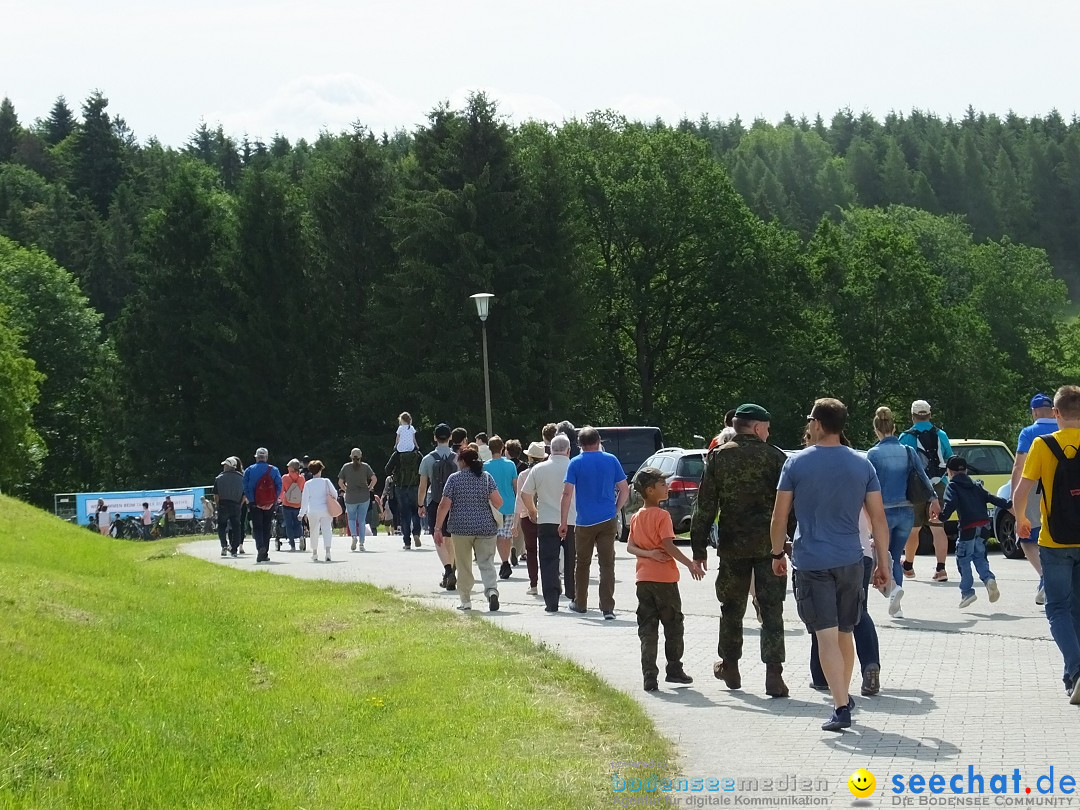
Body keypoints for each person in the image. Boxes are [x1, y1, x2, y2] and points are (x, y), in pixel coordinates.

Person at [770, 398, 892, 732]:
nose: (808, 425)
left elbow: (780, 515)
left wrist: (777, 553)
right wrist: (884, 564)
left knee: (825, 636)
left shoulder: (796, 464)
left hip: (812, 560)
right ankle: (844, 695)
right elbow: (879, 519)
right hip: (852, 558)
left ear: (819, 424)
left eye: (810, 420)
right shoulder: (862, 464)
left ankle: (840, 706)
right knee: (844, 633)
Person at [690, 403, 792, 696]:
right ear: (758, 427)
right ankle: (774, 675)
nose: (768, 432)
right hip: (769, 546)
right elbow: (789, 504)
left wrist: (699, 549)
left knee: (731, 608)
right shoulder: (775, 458)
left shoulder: (718, 458)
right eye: (767, 428)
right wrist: (793, 541)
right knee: (772, 609)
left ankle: (730, 665)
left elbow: (705, 506)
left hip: (732, 546)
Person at [1013, 385, 1080, 703]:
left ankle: (1076, 672)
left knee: (1057, 607)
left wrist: (1021, 521)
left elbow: (1021, 491)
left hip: (1054, 540)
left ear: (1056, 414)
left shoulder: (1042, 444)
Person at [626, 467, 704, 691]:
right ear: (650, 490)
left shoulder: (637, 517)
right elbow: (668, 545)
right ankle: (674, 668)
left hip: (643, 580)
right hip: (665, 580)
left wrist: (648, 554)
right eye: (662, 485)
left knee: (647, 628)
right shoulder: (662, 516)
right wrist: (690, 563)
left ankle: (649, 674)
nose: (667, 487)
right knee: (673, 625)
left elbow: (631, 547)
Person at [866, 406, 938, 618]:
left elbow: (867, 485)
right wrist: (933, 499)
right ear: (894, 427)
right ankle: (895, 606)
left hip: (883, 514)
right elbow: (923, 477)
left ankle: (894, 589)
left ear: (876, 429)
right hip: (907, 512)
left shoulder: (873, 454)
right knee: (896, 555)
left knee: (880, 557)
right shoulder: (908, 451)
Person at [560, 425, 630, 619]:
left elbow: (566, 494)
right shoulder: (611, 460)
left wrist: (563, 521)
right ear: (599, 441)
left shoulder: (575, 463)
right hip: (607, 518)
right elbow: (624, 490)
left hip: (584, 521)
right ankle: (607, 608)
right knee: (607, 565)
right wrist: (615, 510)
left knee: (582, 564)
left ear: (579, 444)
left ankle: (580, 603)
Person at [434, 447, 503, 611]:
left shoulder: (454, 479)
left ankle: (466, 600)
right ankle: (492, 591)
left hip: (460, 528)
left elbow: (444, 505)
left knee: (464, 565)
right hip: (485, 527)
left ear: (463, 461)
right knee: (486, 562)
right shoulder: (486, 478)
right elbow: (498, 502)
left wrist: (438, 528)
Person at [939, 455, 1010, 608]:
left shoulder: (952, 486)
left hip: (967, 528)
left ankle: (967, 593)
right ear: (965, 470)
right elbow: (991, 498)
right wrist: (1008, 504)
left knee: (963, 560)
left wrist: (942, 517)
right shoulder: (976, 485)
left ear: (949, 472)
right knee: (979, 557)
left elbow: (950, 503)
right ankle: (989, 579)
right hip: (984, 527)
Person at [1011, 393, 1058, 605]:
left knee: (1026, 536)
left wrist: (1015, 497)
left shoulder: (1029, 432)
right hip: (1063, 488)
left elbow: (1019, 466)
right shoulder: (1065, 427)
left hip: (1034, 488)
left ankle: (1044, 577)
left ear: (1035, 411)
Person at [900, 399, 953, 582]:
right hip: (938, 484)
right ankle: (941, 569)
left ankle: (908, 566)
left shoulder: (906, 437)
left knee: (913, 529)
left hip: (915, 487)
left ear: (913, 416)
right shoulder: (941, 435)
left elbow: (902, 464)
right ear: (929, 414)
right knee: (938, 528)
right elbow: (949, 458)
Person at [524, 434, 577, 612]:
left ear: (550, 450)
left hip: (546, 519)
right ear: (568, 450)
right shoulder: (574, 466)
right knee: (573, 559)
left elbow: (525, 494)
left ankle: (551, 601)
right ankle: (573, 594)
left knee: (548, 561)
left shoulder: (539, 469)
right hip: (572, 519)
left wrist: (533, 511)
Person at [419, 424, 459, 590]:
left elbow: (422, 486)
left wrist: (420, 504)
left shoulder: (428, 459)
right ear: (450, 438)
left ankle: (448, 570)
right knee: (451, 538)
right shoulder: (458, 458)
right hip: (455, 502)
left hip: (436, 501)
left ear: (435, 438)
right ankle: (451, 571)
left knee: (438, 537)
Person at [514, 441, 548, 595]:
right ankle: (551, 581)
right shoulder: (547, 472)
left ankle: (533, 584)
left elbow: (520, 499)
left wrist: (515, 523)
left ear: (529, 458)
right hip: (546, 515)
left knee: (531, 550)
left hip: (527, 516)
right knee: (548, 550)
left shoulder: (523, 474)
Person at [485, 436, 519, 579]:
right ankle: (506, 561)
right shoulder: (510, 465)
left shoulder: (485, 466)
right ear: (502, 449)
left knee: (498, 535)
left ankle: (504, 562)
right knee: (505, 535)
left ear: (489, 449)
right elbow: (515, 486)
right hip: (510, 503)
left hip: (493, 505)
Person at [242, 448, 282, 563]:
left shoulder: (249, 470)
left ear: (256, 457)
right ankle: (265, 553)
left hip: (255, 504)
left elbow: (246, 487)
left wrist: (252, 501)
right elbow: (279, 486)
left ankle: (260, 548)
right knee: (267, 527)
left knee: (258, 527)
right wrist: (273, 501)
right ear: (266, 457)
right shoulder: (274, 470)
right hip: (270, 503)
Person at [386, 442, 424, 550]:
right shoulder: (417, 454)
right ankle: (416, 533)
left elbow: (387, 469)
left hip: (401, 488)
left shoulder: (397, 455)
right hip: (415, 486)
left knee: (404, 515)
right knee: (416, 511)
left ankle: (407, 542)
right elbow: (423, 469)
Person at [299, 460, 338, 562]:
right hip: (326, 509)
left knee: (314, 531)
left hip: (313, 510)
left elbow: (305, 500)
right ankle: (328, 552)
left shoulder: (308, 484)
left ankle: (315, 553)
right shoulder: (326, 481)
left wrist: (301, 513)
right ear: (320, 470)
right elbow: (335, 494)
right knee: (327, 530)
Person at [338, 449, 376, 552]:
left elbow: (340, 482)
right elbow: (374, 479)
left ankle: (354, 536)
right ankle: (362, 543)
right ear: (361, 456)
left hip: (350, 496)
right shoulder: (365, 466)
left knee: (351, 519)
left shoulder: (346, 467)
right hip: (364, 496)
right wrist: (369, 487)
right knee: (362, 520)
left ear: (351, 456)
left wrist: (345, 489)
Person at [214, 457, 245, 557]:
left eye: (224, 465)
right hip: (236, 504)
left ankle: (224, 545)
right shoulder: (241, 478)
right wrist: (240, 504)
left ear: (228, 466)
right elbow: (244, 495)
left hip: (223, 504)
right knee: (236, 527)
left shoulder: (219, 478)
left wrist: (218, 505)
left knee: (222, 526)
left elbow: (216, 495)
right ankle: (234, 549)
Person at [280, 459, 305, 552]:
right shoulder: (301, 478)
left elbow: (282, 491)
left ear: (291, 468)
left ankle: (293, 546)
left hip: (287, 504)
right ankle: (301, 536)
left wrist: (282, 499)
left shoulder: (285, 478)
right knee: (298, 523)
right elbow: (302, 489)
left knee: (289, 525)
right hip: (298, 504)